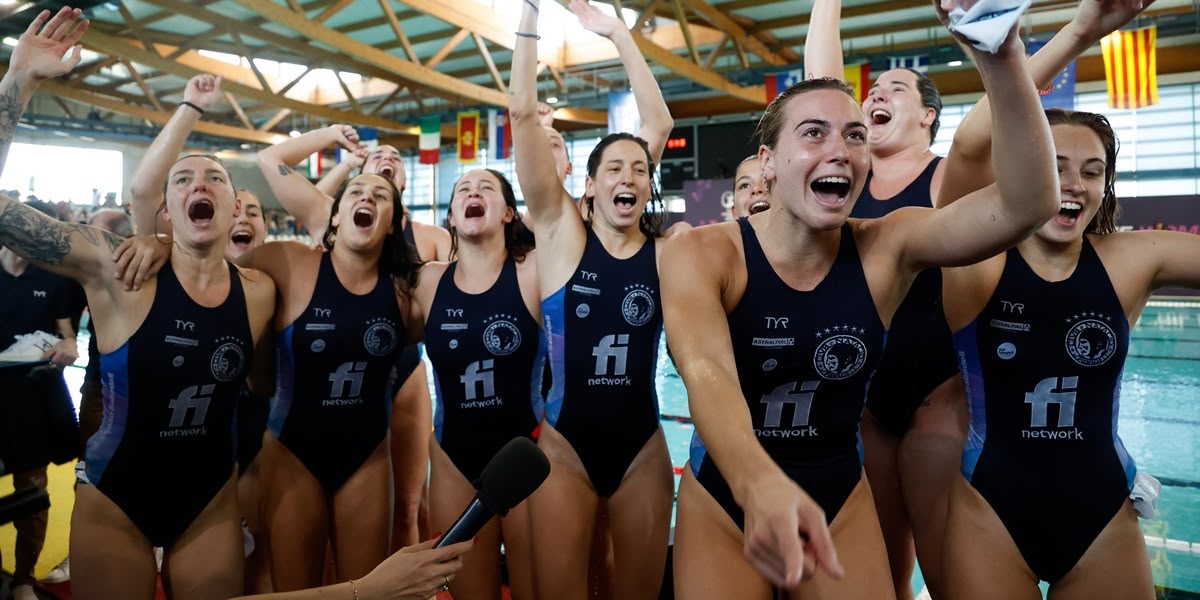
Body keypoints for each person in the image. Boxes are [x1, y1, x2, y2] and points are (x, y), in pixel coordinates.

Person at [662, 11, 1060, 598]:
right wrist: (758, 484)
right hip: (727, 498)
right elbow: (709, 377)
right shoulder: (701, 253)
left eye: (854, 135)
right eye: (814, 133)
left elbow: (1028, 203)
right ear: (768, 162)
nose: (841, 149)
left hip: (840, 497)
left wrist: (1002, 56)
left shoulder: (888, 246)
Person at [0, 9, 277, 599]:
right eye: (182, 179)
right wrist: (18, 79)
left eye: (216, 178)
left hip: (210, 503)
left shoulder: (260, 291)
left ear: (238, 209)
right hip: (113, 498)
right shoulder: (114, 269)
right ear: (164, 212)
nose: (199, 183)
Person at [932, 5, 1180, 599]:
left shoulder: (1131, 258)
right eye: (1055, 166)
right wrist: (1072, 34)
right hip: (989, 512)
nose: (1073, 184)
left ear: (1106, 186)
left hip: (1102, 516)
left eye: (1091, 171)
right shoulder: (978, 261)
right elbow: (968, 149)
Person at [510, 1, 675, 598]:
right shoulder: (558, 233)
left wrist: (617, 34)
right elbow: (522, 114)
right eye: (614, 169)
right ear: (590, 184)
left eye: (638, 169)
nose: (627, 177)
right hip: (563, 448)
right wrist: (529, 14)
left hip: (643, 450)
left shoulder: (663, 252)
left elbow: (656, 124)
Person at [803, 2, 960, 595]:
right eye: (872, 88)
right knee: (882, 559)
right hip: (862, 395)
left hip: (936, 392)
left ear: (927, 116)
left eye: (895, 87)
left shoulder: (946, 176)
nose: (876, 93)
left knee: (945, 560)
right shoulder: (849, 176)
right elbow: (822, 86)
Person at [242, 145, 422, 590]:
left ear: (395, 223)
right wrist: (158, 243)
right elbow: (204, 270)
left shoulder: (409, 291)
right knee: (298, 590)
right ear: (335, 217)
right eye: (356, 192)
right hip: (290, 451)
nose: (367, 199)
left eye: (381, 197)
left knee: (365, 591)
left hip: (367, 457)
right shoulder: (289, 264)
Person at [413, 168, 543, 600]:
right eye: (463, 190)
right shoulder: (429, 281)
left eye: (486, 187)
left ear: (508, 212)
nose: (473, 192)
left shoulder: (532, 271)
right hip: (453, 459)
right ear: (450, 216)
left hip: (527, 453)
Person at [40, 207, 134, 589]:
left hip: (153, 387)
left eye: (88, 234)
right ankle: (82, 550)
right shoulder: (82, 271)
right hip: (102, 384)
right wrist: (66, 338)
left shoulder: (148, 262)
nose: (81, 242)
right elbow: (63, 309)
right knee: (90, 470)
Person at [0, 201, 83, 600]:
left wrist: (69, 346)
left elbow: (68, 333)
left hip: (29, 397)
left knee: (31, 494)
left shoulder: (54, 278)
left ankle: (23, 578)